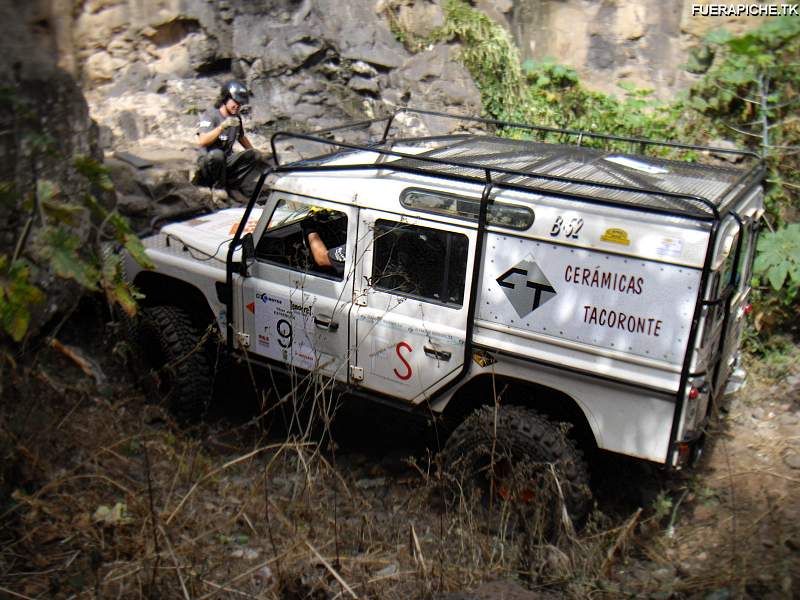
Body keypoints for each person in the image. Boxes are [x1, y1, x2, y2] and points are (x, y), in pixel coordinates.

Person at [194, 79, 263, 200]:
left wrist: (254, 152)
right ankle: (217, 187)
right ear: (225, 99)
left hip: (225, 160)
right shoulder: (211, 115)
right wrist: (222, 127)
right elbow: (202, 141)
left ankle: (231, 184)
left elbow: (241, 137)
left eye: (240, 104)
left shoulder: (236, 118)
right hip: (209, 161)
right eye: (235, 102)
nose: (237, 106)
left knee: (254, 155)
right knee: (217, 154)